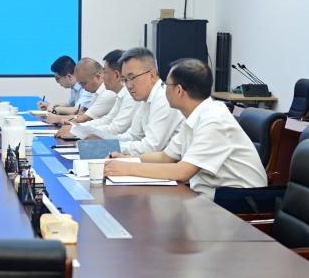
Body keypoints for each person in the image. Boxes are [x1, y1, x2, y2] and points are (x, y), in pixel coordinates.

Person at [105, 59, 267, 197]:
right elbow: (165, 157)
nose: (163, 89)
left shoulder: (213, 120)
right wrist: (126, 159)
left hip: (239, 200)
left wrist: (128, 168)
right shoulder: (194, 116)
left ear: (179, 90)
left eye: (166, 84)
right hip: (210, 195)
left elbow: (182, 172)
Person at [86, 46, 183, 156]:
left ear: (152, 75)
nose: (128, 85)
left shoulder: (164, 99)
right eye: (125, 79)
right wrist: (105, 141)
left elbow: (151, 147)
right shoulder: (144, 99)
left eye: (132, 78)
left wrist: (108, 146)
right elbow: (133, 135)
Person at [58, 50, 136, 140]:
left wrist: (77, 130)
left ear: (117, 75)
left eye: (105, 72)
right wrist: (78, 127)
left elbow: (115, 129)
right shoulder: (121, 94)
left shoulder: (126, 95)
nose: (103, 76)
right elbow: (107, 120)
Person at [45, 55, 118, 124]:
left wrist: (56, 117)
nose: (82, 87)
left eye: (84, 83)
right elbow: (83, 116)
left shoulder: (107, 93)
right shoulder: (96, 93)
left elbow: (83, 119)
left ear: (98, 76)